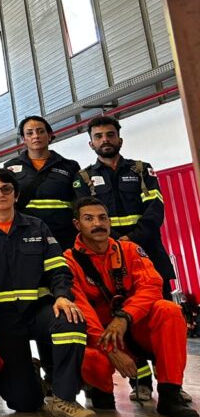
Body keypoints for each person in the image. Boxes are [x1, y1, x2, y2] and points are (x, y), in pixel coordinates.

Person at [0, 169, 96, 417]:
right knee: (23, 403)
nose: (0, 194)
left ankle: (64, 397)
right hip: (3, 319)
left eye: (6, 189)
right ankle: (30, 375)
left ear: (16, 195)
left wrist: (62, 296)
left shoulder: (38, 227)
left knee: (71, 320)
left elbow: (58, 268)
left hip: (39, 311)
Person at [66, 196, 197, 417]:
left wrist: (125, 317)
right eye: (89, 219)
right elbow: (81, 311)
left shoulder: (130, 250)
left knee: (169, 311)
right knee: (86, 355)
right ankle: (100, 390)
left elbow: (152, 287)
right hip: (102, 337)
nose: (98, 224)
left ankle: (170, 394)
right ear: (77, 224)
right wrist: (111, 350)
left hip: (134, 328)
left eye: (102, 218)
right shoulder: (70, 261)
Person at [72, 116, 175, 297]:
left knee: (162, 306)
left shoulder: (141, 170)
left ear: (120, 140)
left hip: (148, 250)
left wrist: (131, 239)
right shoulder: (83, 178)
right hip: (107, 255)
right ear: (91, 144)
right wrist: (116, 242)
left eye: (110, 134)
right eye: (98, 136)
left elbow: (155, 210)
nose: (105, 139)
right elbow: (87, 219)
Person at [4, 116, 80, 250]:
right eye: (30, 133)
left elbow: (79, 201)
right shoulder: (9, 167)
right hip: (24, 235)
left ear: (49, 135)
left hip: (64, 236)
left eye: (40, 131)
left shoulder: (70, 166)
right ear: (23, 139)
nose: (36, 136)